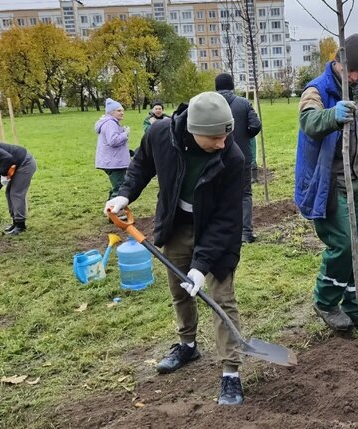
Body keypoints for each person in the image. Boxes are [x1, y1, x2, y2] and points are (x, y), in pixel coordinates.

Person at [105, 92, 246, 406]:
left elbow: (226, 220)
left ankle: (231, 372)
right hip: (177, 225)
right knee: (180, 290)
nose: (223, 143)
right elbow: (141, 165)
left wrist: (201, 265)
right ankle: (187, 344)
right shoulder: (159, 134)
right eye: (215, 138)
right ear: (194, 131)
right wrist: (124, 195)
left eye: (226, 135)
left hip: (216, 231)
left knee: (221, 297)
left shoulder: (231, 157)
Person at [294, 33, 358, 334]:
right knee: (343, 242)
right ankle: (325, 301)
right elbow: (309, 122)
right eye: (351, 70)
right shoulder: (316, 90)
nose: (355, 76)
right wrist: (332, 115)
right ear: (337, 61)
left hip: (355, 179)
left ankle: (357, 308)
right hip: (328, 182)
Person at [215, 72, 262, 243]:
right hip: (241, 156)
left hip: (215, 157)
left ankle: (224, 232)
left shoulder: (210, 104)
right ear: (232, 86)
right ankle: (246, 233)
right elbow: (255, 125)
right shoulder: (243, 103)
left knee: (219, 194)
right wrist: (245, 135)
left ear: (216, 87)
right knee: (245, 194)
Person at [95, 98, 131, 203]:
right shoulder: (110, 123)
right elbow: (113, 141)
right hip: (114, 163)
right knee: (119, 188)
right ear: (111, 112)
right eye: (119, 111)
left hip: (112, 161)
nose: (122, 113)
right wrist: (125, 134)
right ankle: (115, 213)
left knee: (116, 186)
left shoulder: (110, 122)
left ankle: (111, 210)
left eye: (122, 110)